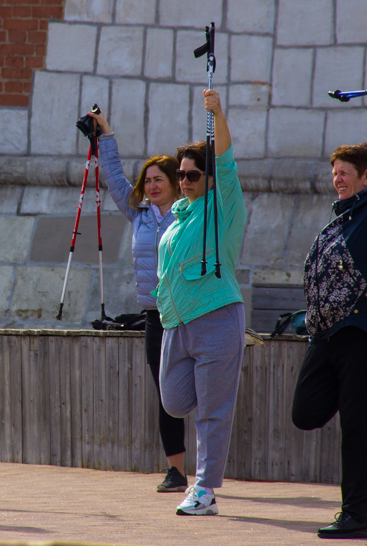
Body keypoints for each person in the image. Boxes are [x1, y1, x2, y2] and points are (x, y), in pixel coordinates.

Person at [291, 79, 367, 540]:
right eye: (335, 171)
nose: (338, 177)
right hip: (325, 338)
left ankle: (355, 516)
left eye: (347, 172)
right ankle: (353, 394)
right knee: (305, 413)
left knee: (357, 431)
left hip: (362, 335)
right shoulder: (337, 221)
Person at [153, 89, 247, 516]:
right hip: (177, 325)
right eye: (182, 174)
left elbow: (225, 163)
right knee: (173, 402)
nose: (185, 180)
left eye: (193, 175)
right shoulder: (176, 221)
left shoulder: (221, 209)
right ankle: (203, 481)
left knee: (212, 411)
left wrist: (218, 114)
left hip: (216, 319)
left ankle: (205, 489)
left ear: (208, 179)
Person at [87, 109, 187, 493]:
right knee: (165, 395)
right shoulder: (138, 214)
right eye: (148, 181)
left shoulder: (189, 215)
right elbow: (113, 177)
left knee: (198, 391)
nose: (152, 186)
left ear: (177, 184)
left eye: (159, 180)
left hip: (190, 314)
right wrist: (105, 134)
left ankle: (209, 472)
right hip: (155, 316)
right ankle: (176, 471)